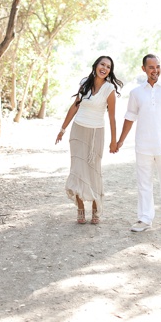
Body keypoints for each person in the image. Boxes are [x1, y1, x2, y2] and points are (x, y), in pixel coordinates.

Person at [116, 54, 161, 233]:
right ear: (144, 69)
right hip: (143, 146)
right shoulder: (136, 93)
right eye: (151, 67)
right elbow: (130, 117)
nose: (155, 70)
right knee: (144, 184)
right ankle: (145, 219)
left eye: (158, 67)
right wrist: (120, 140)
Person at [56, 56, 123, 224]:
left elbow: (112, 118)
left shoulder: (109, 89)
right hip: (78, 131)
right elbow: (75, 106)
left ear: (110, 71)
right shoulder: (85, 82)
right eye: (102, 64)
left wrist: (114, 141)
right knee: (77, 170)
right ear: (96, 65)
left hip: (96, 134)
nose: (105, 68)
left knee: (93, 171)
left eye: (108, 66)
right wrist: (62, 129)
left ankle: (95, 208)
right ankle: (80, 208)